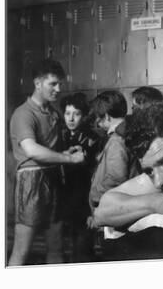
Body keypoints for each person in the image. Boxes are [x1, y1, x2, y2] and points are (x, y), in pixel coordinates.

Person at [8, 59, 85, 266]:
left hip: (53, 179)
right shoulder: (23, 114)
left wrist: (65, 151)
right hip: (31, 183)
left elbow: (50, 151)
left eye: (60, 84)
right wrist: (69, 158)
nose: (58, 89)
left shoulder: (53, 113)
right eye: (53, 84)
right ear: (38, 83)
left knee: (56, 247)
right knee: (22, 250)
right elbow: (32, 150)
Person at [59, 92, 100, 262]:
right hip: (66, 197)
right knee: (69, 244)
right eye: (68, 113)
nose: (71, 118)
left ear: (83, 116)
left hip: (85, 198)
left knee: (83, 246)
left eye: (76, 114)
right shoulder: (61, 136)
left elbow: (95, 173)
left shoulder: (92, 138)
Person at [88, 90, 140, 213]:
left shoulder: (117, 140)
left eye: (98, 119)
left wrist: (95, 195)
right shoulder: (128, 131)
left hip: (114, 206)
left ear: (106, 116)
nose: (98, 124)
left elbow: (116, 178)